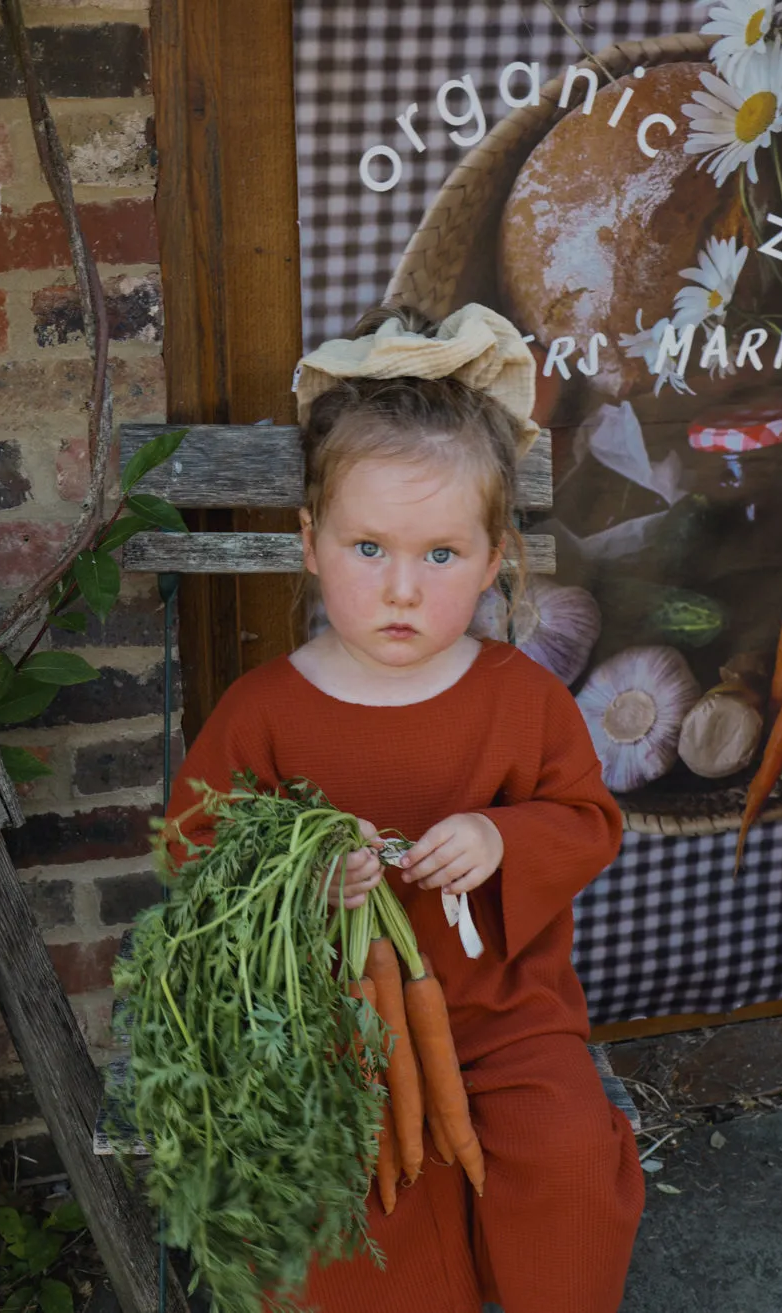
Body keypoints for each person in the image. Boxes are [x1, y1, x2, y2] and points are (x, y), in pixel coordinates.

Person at [164, 302, 645, 1313]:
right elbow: (195, 848)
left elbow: (586, 817)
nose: (400, 589)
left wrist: (497, 835)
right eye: (368, 547)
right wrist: (294, 878)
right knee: (352, 1204)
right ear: (310, 542)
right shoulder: (263, 711)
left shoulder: (520, 696)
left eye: (438, 555)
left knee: (560, 1159)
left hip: (508, 1019)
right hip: (329, 1031)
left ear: (491, 558)